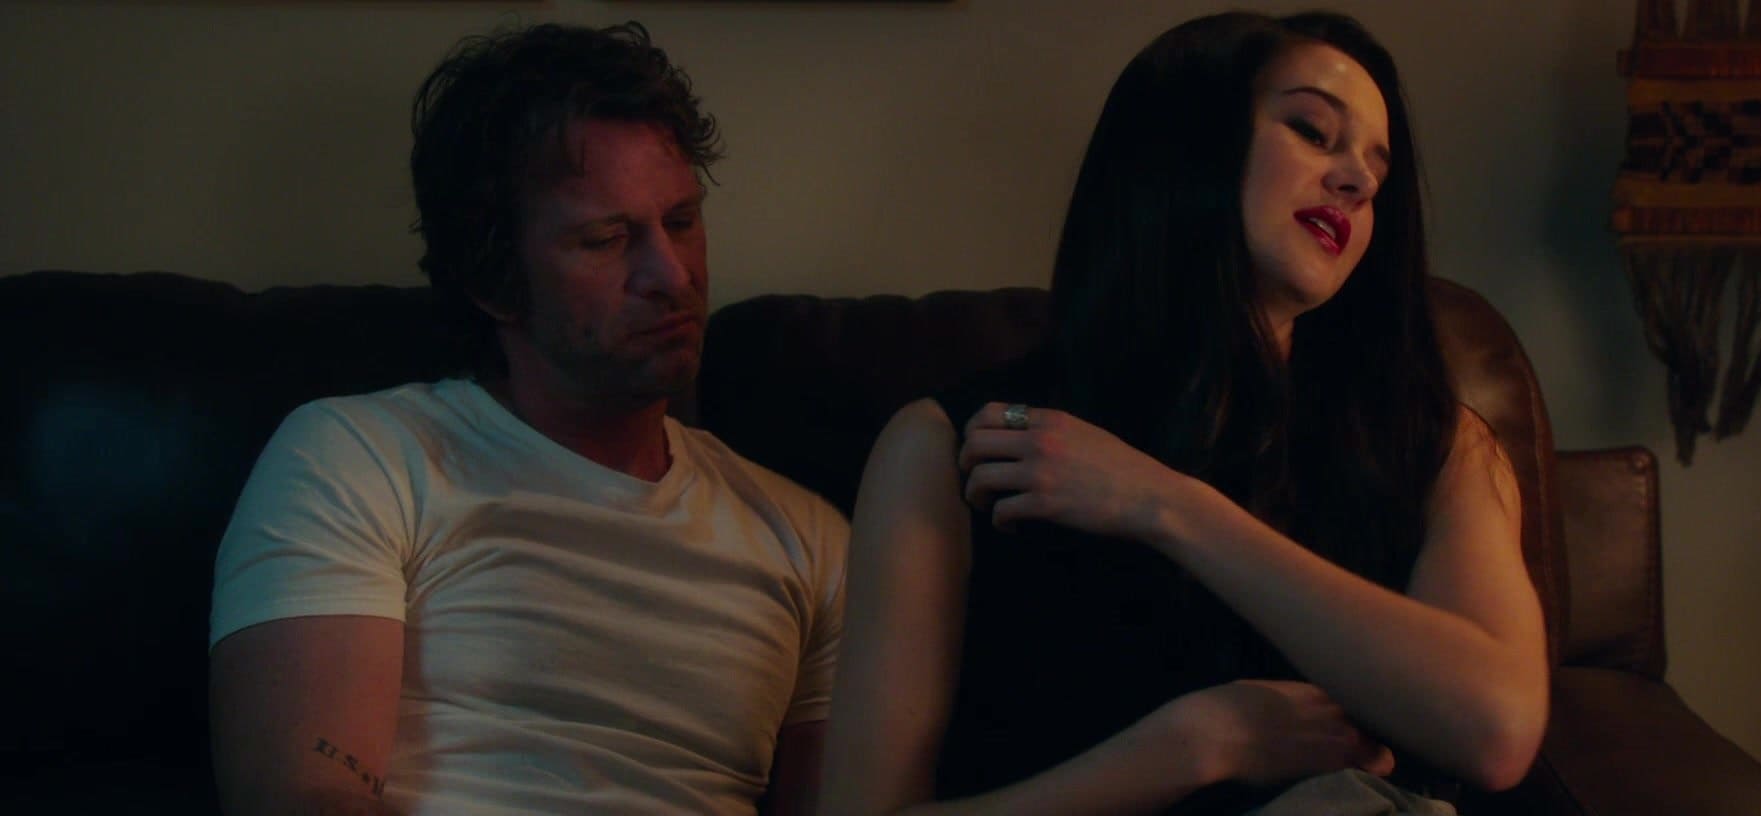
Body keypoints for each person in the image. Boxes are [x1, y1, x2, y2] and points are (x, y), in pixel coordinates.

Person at [820, 10, 1547, 815]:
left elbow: (1497, 728)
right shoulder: (951, 446)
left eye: (1377, 167)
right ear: (1184, 146)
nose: (1358, 181)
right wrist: (1199, 745)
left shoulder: (1434, 444)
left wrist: (1168, 506)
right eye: (1313, 131)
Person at [208, 22, 846, 816]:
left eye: (681, 222)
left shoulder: (808, 540)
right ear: (492, 280)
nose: (671, 273)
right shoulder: (362, 458)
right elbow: (305, 796)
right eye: (606, 239)